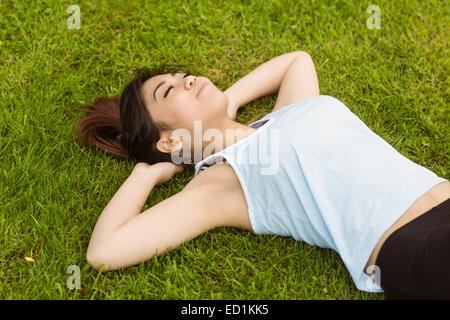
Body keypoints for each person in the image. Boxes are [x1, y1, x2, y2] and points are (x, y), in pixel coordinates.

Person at [76, 51, 450, 299]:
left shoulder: (286, 113)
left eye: (184, 75)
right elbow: (104, 252)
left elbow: (296, 62)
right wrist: (145, 174)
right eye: (169, 89)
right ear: (169, 138)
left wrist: (230, 104)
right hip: (411, 243)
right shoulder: (219, 182)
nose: (189, 79)